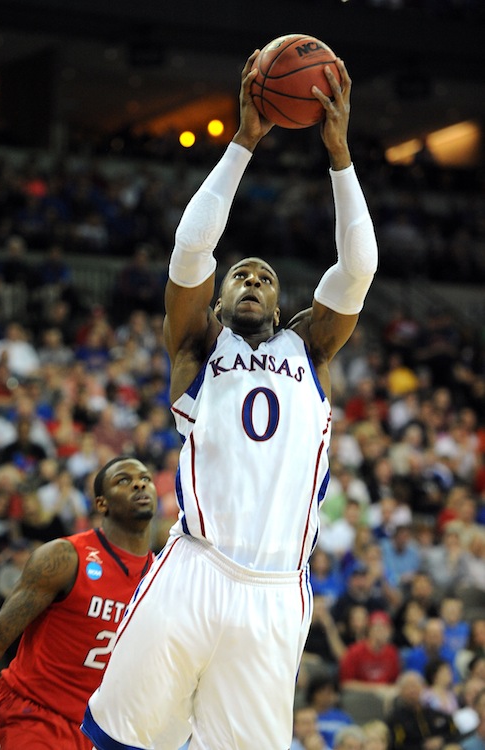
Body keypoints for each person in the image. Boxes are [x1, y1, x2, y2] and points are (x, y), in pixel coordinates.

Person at [82, 47, 378, 750]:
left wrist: (339, 156)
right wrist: (244, 139)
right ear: (216, 302)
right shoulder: (197, 347)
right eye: (238, 275)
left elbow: (358, 266)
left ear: (281, 307)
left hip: (277, 590)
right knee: (116, 739)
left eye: (264, 278)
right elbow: (189, 251)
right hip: (195, 566)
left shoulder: (310, 350)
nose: (250, 280)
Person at [0, 456, 157, 750]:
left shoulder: (163, 577)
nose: (139, 483)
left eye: (145, 478)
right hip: (31, 715)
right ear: (101, 503)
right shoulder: (64, 557)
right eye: (123, 480)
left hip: (95, 733)